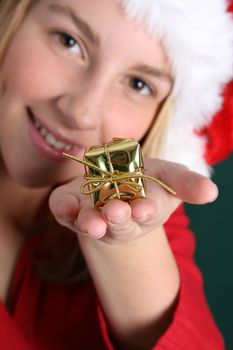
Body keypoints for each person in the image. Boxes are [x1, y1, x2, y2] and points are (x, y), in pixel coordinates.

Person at [0, 0, 232, 349]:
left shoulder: (146, 211)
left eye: (138, 84)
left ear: (158, 120)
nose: (81, 112)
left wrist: (125, 238)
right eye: (68, 41)